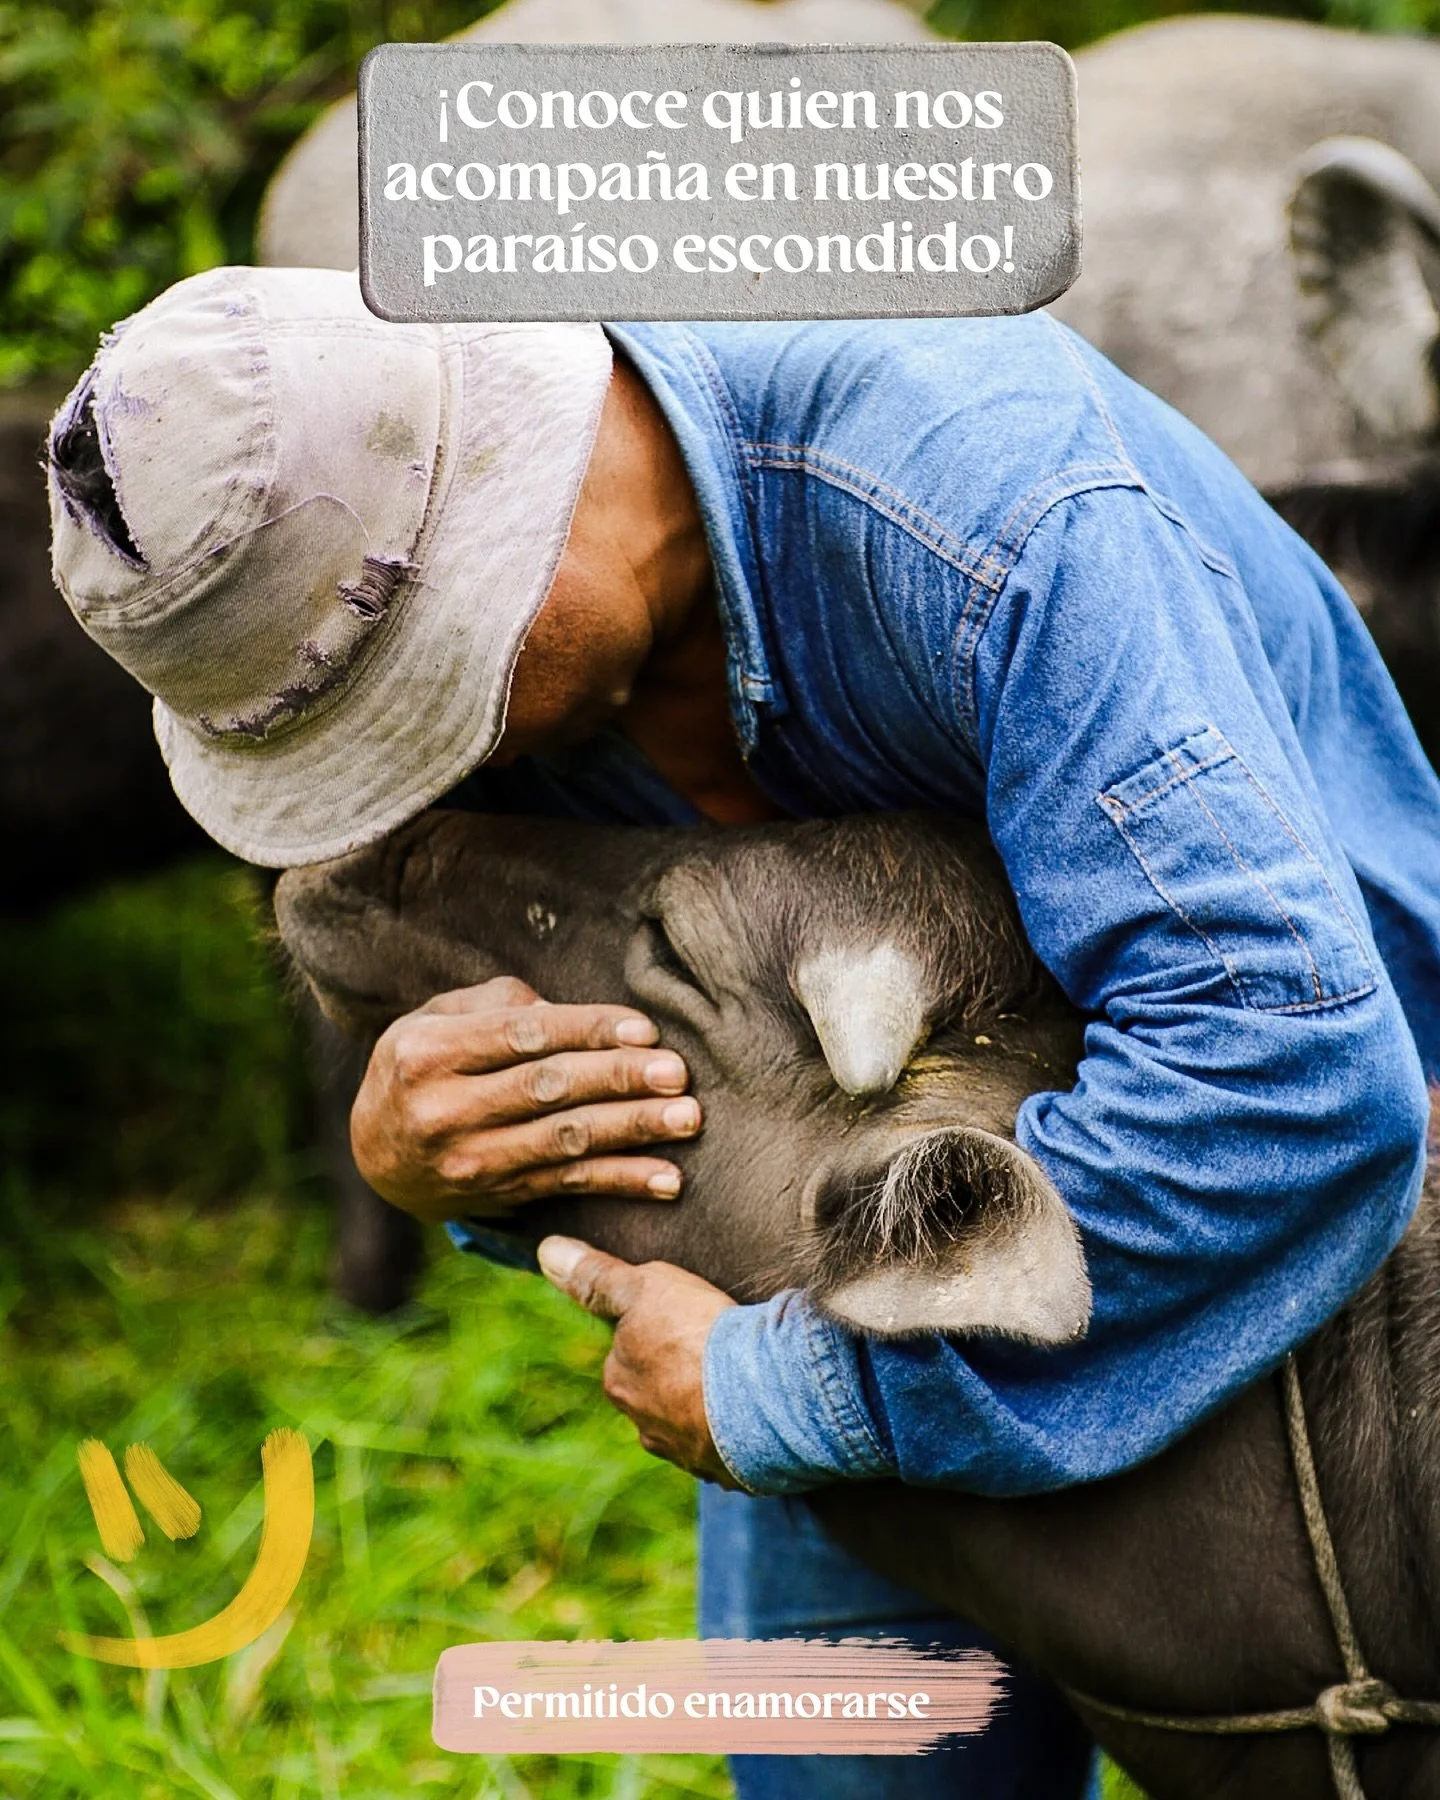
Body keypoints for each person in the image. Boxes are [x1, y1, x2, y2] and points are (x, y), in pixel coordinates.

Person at [48, 264, 1440, 1799]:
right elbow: (591, 1031)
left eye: (414, 706)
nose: (419, 776)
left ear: (510, 504)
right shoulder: (524, 655)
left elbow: (1299, 1078)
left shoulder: (1008, 509)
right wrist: (436, 1155)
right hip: (812, 1296)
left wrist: (798, 1394)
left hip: (1298, 1275)